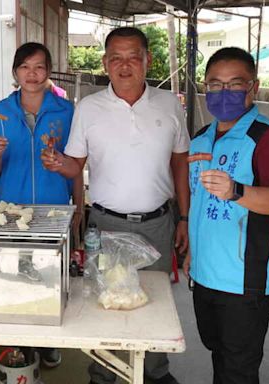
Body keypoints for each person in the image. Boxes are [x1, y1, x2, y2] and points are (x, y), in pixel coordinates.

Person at [42, 27, 188, 384]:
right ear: (105, 63)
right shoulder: (89, 108)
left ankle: (155, 372)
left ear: (147, 61)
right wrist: (60, 163)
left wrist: (184, 218)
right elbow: (76, 165)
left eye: (133, 57)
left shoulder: (170, 104)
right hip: (105, 226)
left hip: (157, 223)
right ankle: (103, 374)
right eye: (116, 58)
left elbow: (181, 164)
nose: (125, 66)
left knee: (154, 304)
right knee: (105, 302)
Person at [183, 47, 269, 384]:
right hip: (205, 273)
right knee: (218, 352)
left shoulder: (268, 138)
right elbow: (200, 203)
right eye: (215, 85)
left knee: (239, 368)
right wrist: (193, 251)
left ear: (254, 87)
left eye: (235, 84)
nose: (223, 93)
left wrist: (237, 191)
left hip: (245, 281)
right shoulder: (201, 139)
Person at [0, 42, 83, 369]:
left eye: (39, 67)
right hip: (9, 215)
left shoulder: (67, 112)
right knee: (14, 285)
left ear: (48, 72)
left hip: (53, 212)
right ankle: (20, 346)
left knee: (50, 281)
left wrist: (79, 211)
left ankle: (48, 344)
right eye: (25, 67)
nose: (32, 74)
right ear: (15, 72)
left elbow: (77, 167)